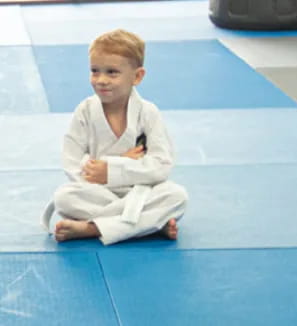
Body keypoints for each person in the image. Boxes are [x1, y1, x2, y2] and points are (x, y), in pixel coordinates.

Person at [40, 29, 188, 245]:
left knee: (176, 196)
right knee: (64, 198)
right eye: (94, 71)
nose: (101, 80)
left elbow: (162, 165)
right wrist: (102, 172)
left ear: (137, 76)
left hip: (140, 189)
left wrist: (113, 168)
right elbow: (71, 160)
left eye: (112, 72)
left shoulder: (148, 113)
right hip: (96, 192)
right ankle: (149, 224)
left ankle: (91, 228)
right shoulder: (85, 111)